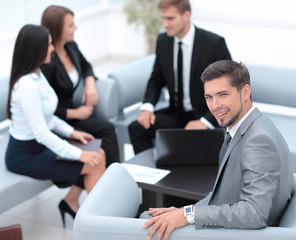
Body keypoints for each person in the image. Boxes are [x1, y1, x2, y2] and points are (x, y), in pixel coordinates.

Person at [142, 60, 295, 240]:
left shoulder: (258, 140)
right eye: (209, 97)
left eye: (223, 94)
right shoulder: (247, 126)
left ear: (245, 92)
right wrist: (185, 212)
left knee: (145, 225)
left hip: (239, 235)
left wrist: (189, 216)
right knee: (152, 218)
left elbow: (254, 213)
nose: (215, 106)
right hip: (231, 228)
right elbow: (222, 196)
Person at [5, 24, 106, 227]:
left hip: (39, 146)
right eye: (49, 45)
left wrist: (73, 132)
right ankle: (98, 225)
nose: (52, 49)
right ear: (37, 50)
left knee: (99, 154)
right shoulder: (27, 88)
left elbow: (48, 117)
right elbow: (42, 133)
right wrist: (79, 154)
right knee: (93, 162)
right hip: (24, 155)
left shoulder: (38, 75)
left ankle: (90, 215)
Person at [128, 0, 232, 154]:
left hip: (207, 114)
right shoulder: (163, 41)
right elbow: (156, 79)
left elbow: (229, 88)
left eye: (170, 18)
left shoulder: (214, 43)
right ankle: (151, 173)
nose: (165, 24)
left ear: (186, 15)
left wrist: (206, 122)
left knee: (200, 151)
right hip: (177, 113)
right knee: (137, 128)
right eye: (163, 18)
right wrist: (147, 107)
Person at [40, 5, 119, 166]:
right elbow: (44, 107)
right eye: (70, 25)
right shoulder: (47, 62)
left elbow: (86, 66)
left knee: (107, 129)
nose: (75, 28)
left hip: (74, 115)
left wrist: (90, 84)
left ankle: (114, 176)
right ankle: (104, 183)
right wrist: (75, 113)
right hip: (59, 119)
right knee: (99, 137)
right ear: (56, 29)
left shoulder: (71, 47)